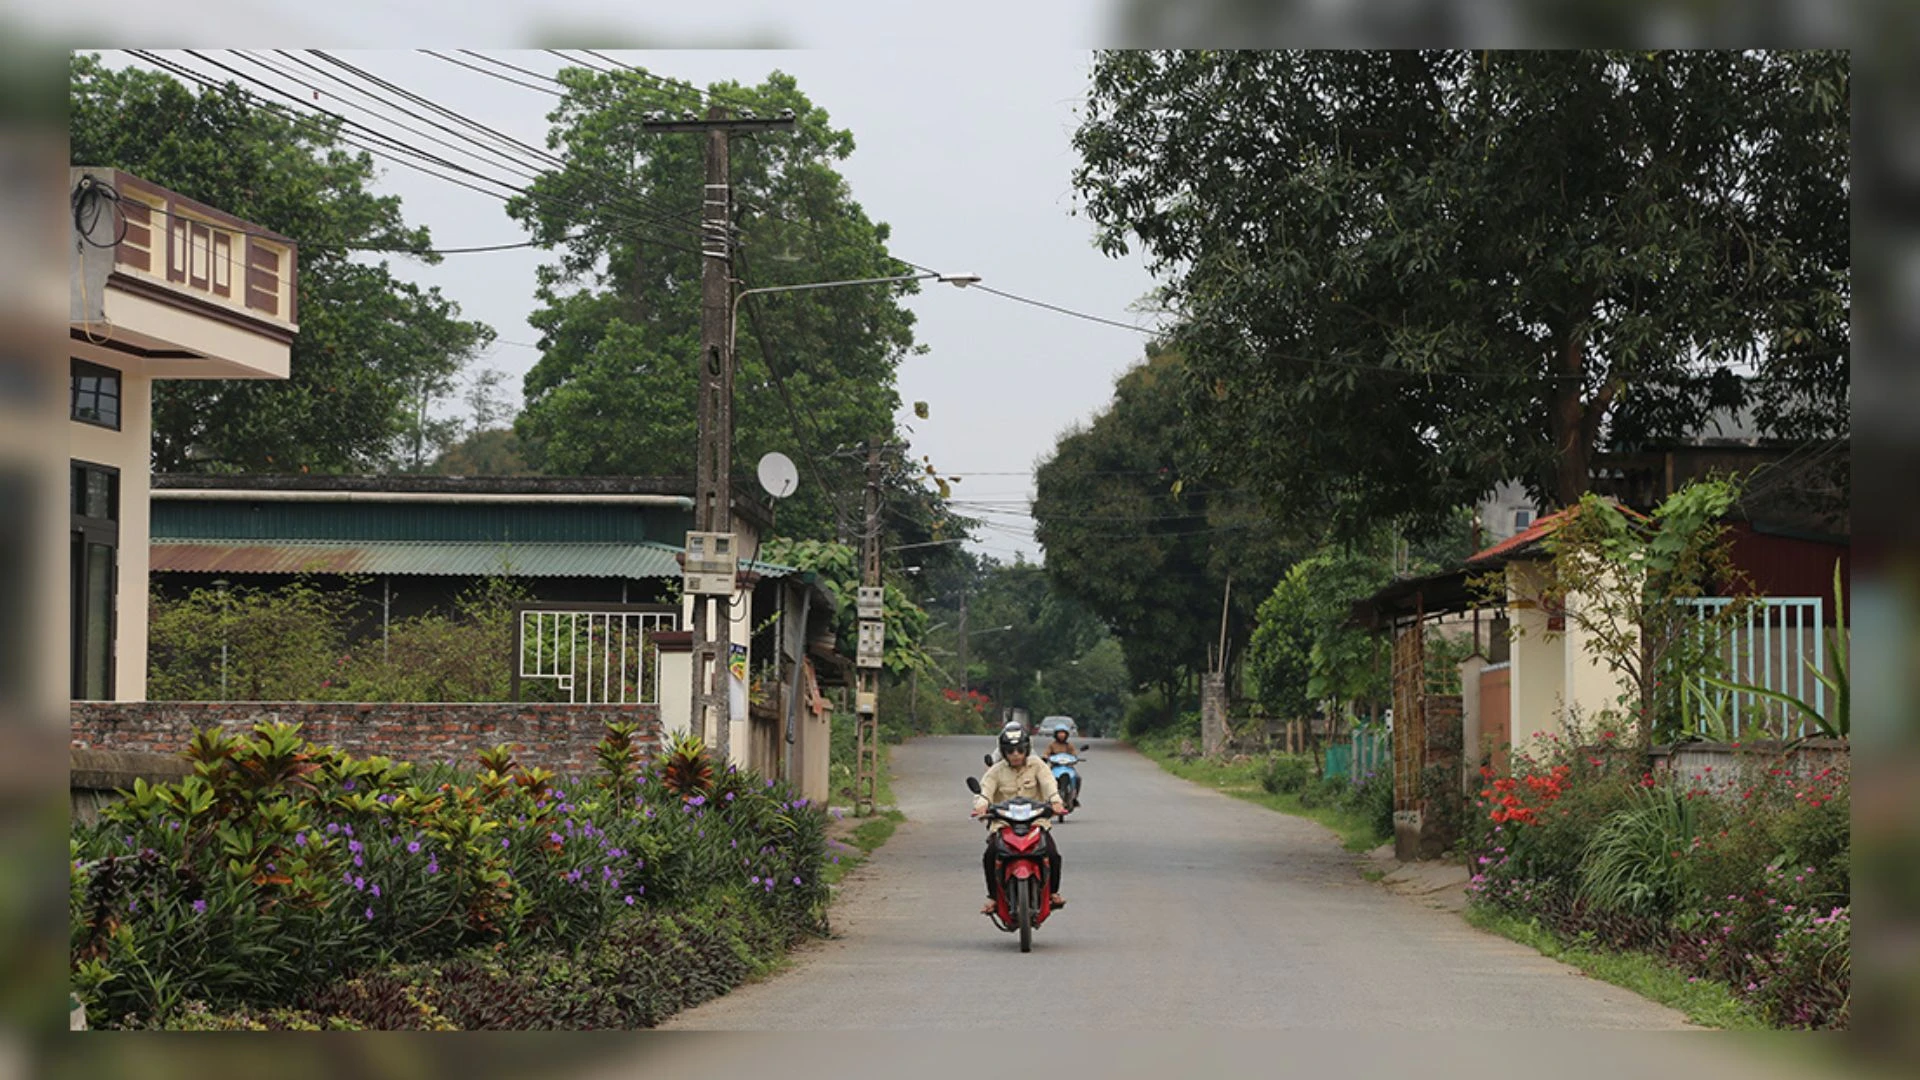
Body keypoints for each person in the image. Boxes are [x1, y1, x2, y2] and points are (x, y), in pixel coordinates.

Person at [973, 721, 1067, 915]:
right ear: (1003, 752)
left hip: (1036, 823)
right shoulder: (996, 771)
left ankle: (1053, 893)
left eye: (1019, 750)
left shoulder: (1038, 766)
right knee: (989, 855)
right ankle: (993, 897)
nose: (1015, 754)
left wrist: (1056, 802)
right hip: (1003, 824)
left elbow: (1049, 785)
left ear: (1026, 749)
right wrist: (981, 805)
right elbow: (985, 790)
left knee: (1053, 853)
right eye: (1010, 750)